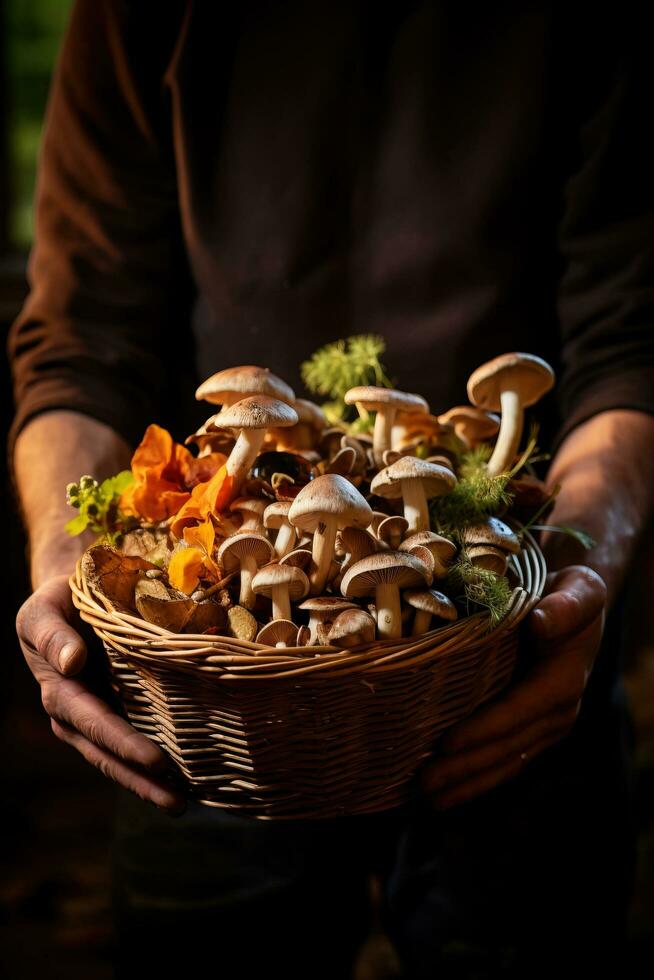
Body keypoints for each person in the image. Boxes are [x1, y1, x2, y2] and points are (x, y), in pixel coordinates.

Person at [9, 2, 654, 977]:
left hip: (508, 639)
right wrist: (65, 549)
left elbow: (630, 343)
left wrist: (579, 564)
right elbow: (79, 337)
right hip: (212, 698)